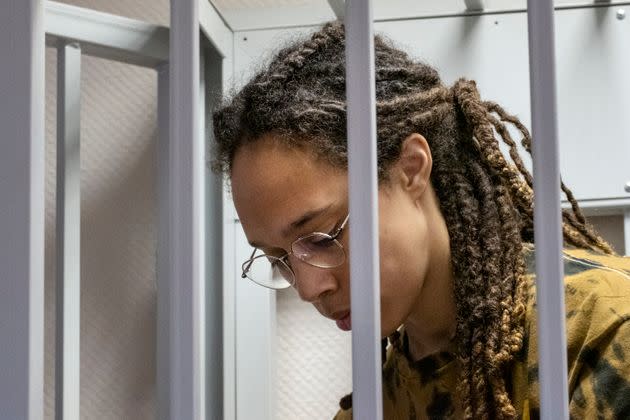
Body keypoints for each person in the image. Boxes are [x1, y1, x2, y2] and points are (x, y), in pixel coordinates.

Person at [212, 21, 630, 419]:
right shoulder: (372, 407)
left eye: (320, 238)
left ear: (411, 169)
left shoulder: (604, 329)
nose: (308, 288)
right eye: (277, 258)